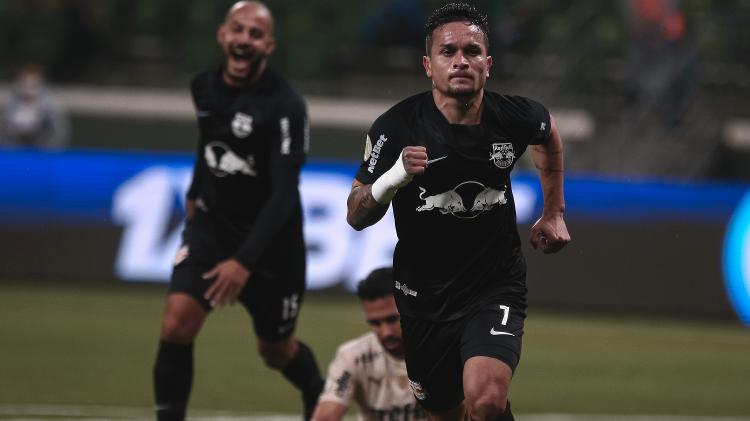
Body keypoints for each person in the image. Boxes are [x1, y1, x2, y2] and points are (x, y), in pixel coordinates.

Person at [345, 3, 571, 421]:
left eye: (472, 51)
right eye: (448, 52)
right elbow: (356, 215)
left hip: (494, 283)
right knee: (447, 412)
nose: (461, 60)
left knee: (485, 399)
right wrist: (391, 179)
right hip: (422, 295)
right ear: (429, 66)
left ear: (488, 63)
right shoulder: (395, 129)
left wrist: (554, 210)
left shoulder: (515, 117)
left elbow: (548, 132)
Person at [152, 2, 323, 420]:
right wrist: (195, 192)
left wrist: (244, 261)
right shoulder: (203, 87)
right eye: (238, 30)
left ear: (269, 45)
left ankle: (318, 392)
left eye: (255, 33)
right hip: (212, 229)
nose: (245, 40)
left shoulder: (285, 106)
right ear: (222, 35)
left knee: (275, 351)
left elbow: (284, 194)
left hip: (271, 245)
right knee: (176, 324)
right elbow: (209, 142)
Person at [312, 268, 429, 421]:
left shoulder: (441, 351)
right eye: (375, 323)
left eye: (392, 319)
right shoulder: (352, 356)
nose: (385, 332)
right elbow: (326, 416)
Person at [0, 64, 70, 149]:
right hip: (13, 149)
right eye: (24, 84)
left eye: (33, 85)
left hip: (41, 150)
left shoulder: (51, 105)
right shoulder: (8, 104)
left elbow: (60, 133)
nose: (28, 89)